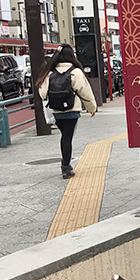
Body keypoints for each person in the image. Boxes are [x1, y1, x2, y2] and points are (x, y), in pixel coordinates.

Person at [36, 44, 97, 179]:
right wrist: (92, 108)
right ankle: (65, 167)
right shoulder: (76, 72)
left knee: (65, 136)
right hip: (71, 110)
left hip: (56, 110)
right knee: (67, 137)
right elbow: (85, 92)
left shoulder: (49, 72)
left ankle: (66, 165)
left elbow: (43, 93)